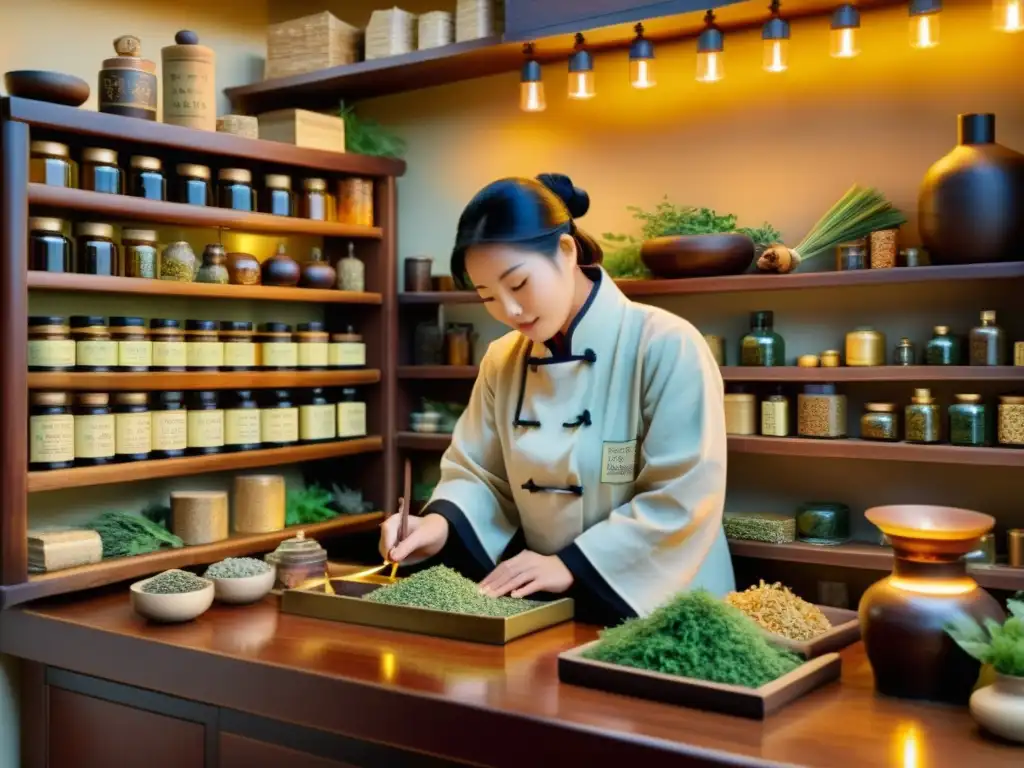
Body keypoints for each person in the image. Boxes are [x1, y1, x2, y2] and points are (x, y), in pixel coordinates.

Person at [380, 173, 735, 626]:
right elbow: (480, 474)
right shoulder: (501, 359)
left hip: (668, 609)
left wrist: (572, 564)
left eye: (519, 284)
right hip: (550, 606)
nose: (508, 311)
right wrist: (434, 527)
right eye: (487, 295)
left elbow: (684, 495)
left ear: (566, 252)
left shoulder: (666, 344)